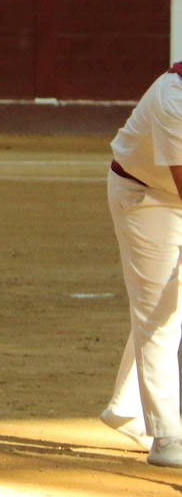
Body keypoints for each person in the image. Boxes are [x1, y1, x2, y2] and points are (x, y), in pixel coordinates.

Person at [100, 58, 182, 469]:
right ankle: (166, 435)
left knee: (168, 307)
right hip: (146, 197)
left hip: (168, 188)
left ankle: (125, 407)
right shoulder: (175, 98)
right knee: (159, 310)